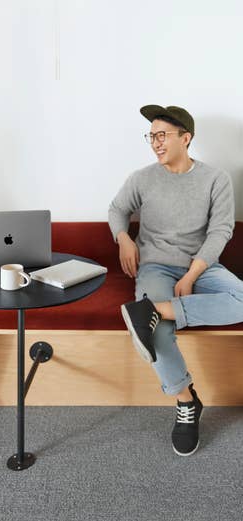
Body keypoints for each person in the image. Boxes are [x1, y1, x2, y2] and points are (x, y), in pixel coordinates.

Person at [108, 105, 243, 457]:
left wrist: (193, 274)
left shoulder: (216, 179)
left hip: (203, 267)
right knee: (154, 330)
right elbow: (117, 209)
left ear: (186, 138)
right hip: (155, 267)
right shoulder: (142, 178)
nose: (155, 142)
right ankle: (186, 402)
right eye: (151, 136)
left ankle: (153, 309)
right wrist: (123, 238)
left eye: (162, 135)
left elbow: (221, 231)